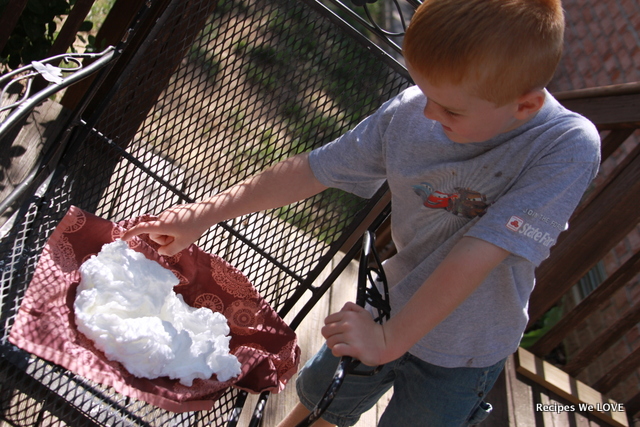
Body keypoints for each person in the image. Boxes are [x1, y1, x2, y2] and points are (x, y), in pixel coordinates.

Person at [123, 0, 601, 425]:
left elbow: (482, 250)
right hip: (389, 304)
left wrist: (391, 339)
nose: (429, 116)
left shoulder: (565, 146)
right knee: (321, 400)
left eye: (451, 110)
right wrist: (204, 213)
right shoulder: (414, 111)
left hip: (466, 350)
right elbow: (312, 170)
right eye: (424, 92)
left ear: (525, 106)